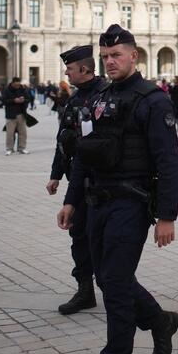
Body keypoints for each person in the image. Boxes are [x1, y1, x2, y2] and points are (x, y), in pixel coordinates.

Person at [59, 25, 178, 354]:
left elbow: (169, 162)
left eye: (117, 55)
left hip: (131, 205)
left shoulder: (153, 101)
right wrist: (71, 201)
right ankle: (160, 322)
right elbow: (83, 154)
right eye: (106, 56)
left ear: (134, 57)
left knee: (113, 290)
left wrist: (167, 216)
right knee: (110, 278)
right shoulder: (98, 100)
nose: (110, 62)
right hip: (96, 203)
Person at [48, 45, 110, 315]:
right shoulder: (74, 99)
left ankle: (113, 288)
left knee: (102, 239)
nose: (66, 73)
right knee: (78, 235)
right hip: (77, 176)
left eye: (70, 68)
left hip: (101, 179)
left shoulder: (105, 95)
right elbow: (64, 140)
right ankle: (85, 290)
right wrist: (55, 174)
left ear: (84, 69)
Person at [2, 77, 31, 156]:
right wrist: (14, 100)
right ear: (12, 83)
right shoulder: (7, 90)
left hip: (21, 114)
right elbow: (4, 101)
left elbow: (28, 99)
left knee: (23, 133)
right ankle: (9, 149)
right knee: (10, 133)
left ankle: (22, 148)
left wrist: (23, 100)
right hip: (11, 115)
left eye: (19, 84)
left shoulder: (22, 89)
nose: (17, 86)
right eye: (16, 85)